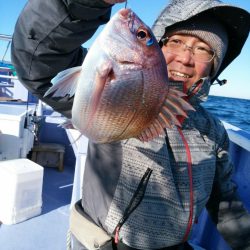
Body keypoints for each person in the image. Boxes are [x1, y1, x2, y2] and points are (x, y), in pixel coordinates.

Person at [11, 0, 250, 249]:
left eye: (203, 50)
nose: (185, 58)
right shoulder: (115, 83)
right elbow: (39, 60)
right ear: (158, 43)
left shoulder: (213, 130)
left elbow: (224, 202)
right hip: (107, 244)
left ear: (214, 66)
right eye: (176, 41)